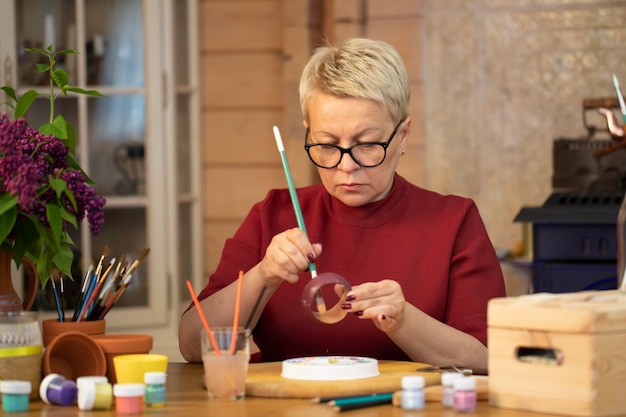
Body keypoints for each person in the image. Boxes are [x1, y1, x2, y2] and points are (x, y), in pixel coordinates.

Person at [178, 37, 505, 374]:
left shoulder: (454, 221)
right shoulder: (273, 213)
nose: (346, 166)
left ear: (403, 135)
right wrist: (264, 276)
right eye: (327, 144)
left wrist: (403, 321)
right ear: (309, 133)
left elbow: (483, 361)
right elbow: (191, 346)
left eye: (367, 144)